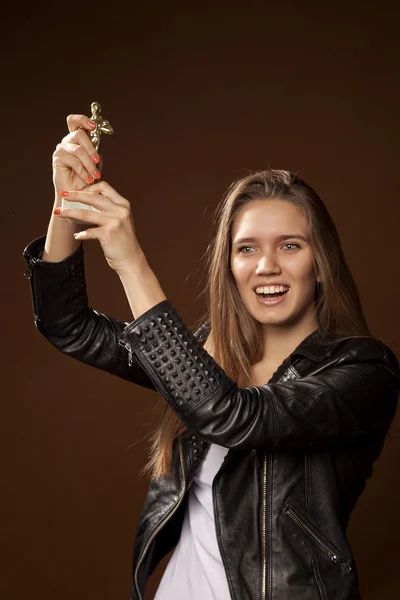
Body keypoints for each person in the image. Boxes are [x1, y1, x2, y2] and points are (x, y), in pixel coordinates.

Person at [23, 113, 400, 600]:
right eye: (246, 248)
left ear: (320, 263)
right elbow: (68, 326)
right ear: (230, 266)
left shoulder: (363, 372)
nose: (267, 266)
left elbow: (232, 415)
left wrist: (131, 262)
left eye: (290, 245)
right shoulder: (210, 355)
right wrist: (65, 206)